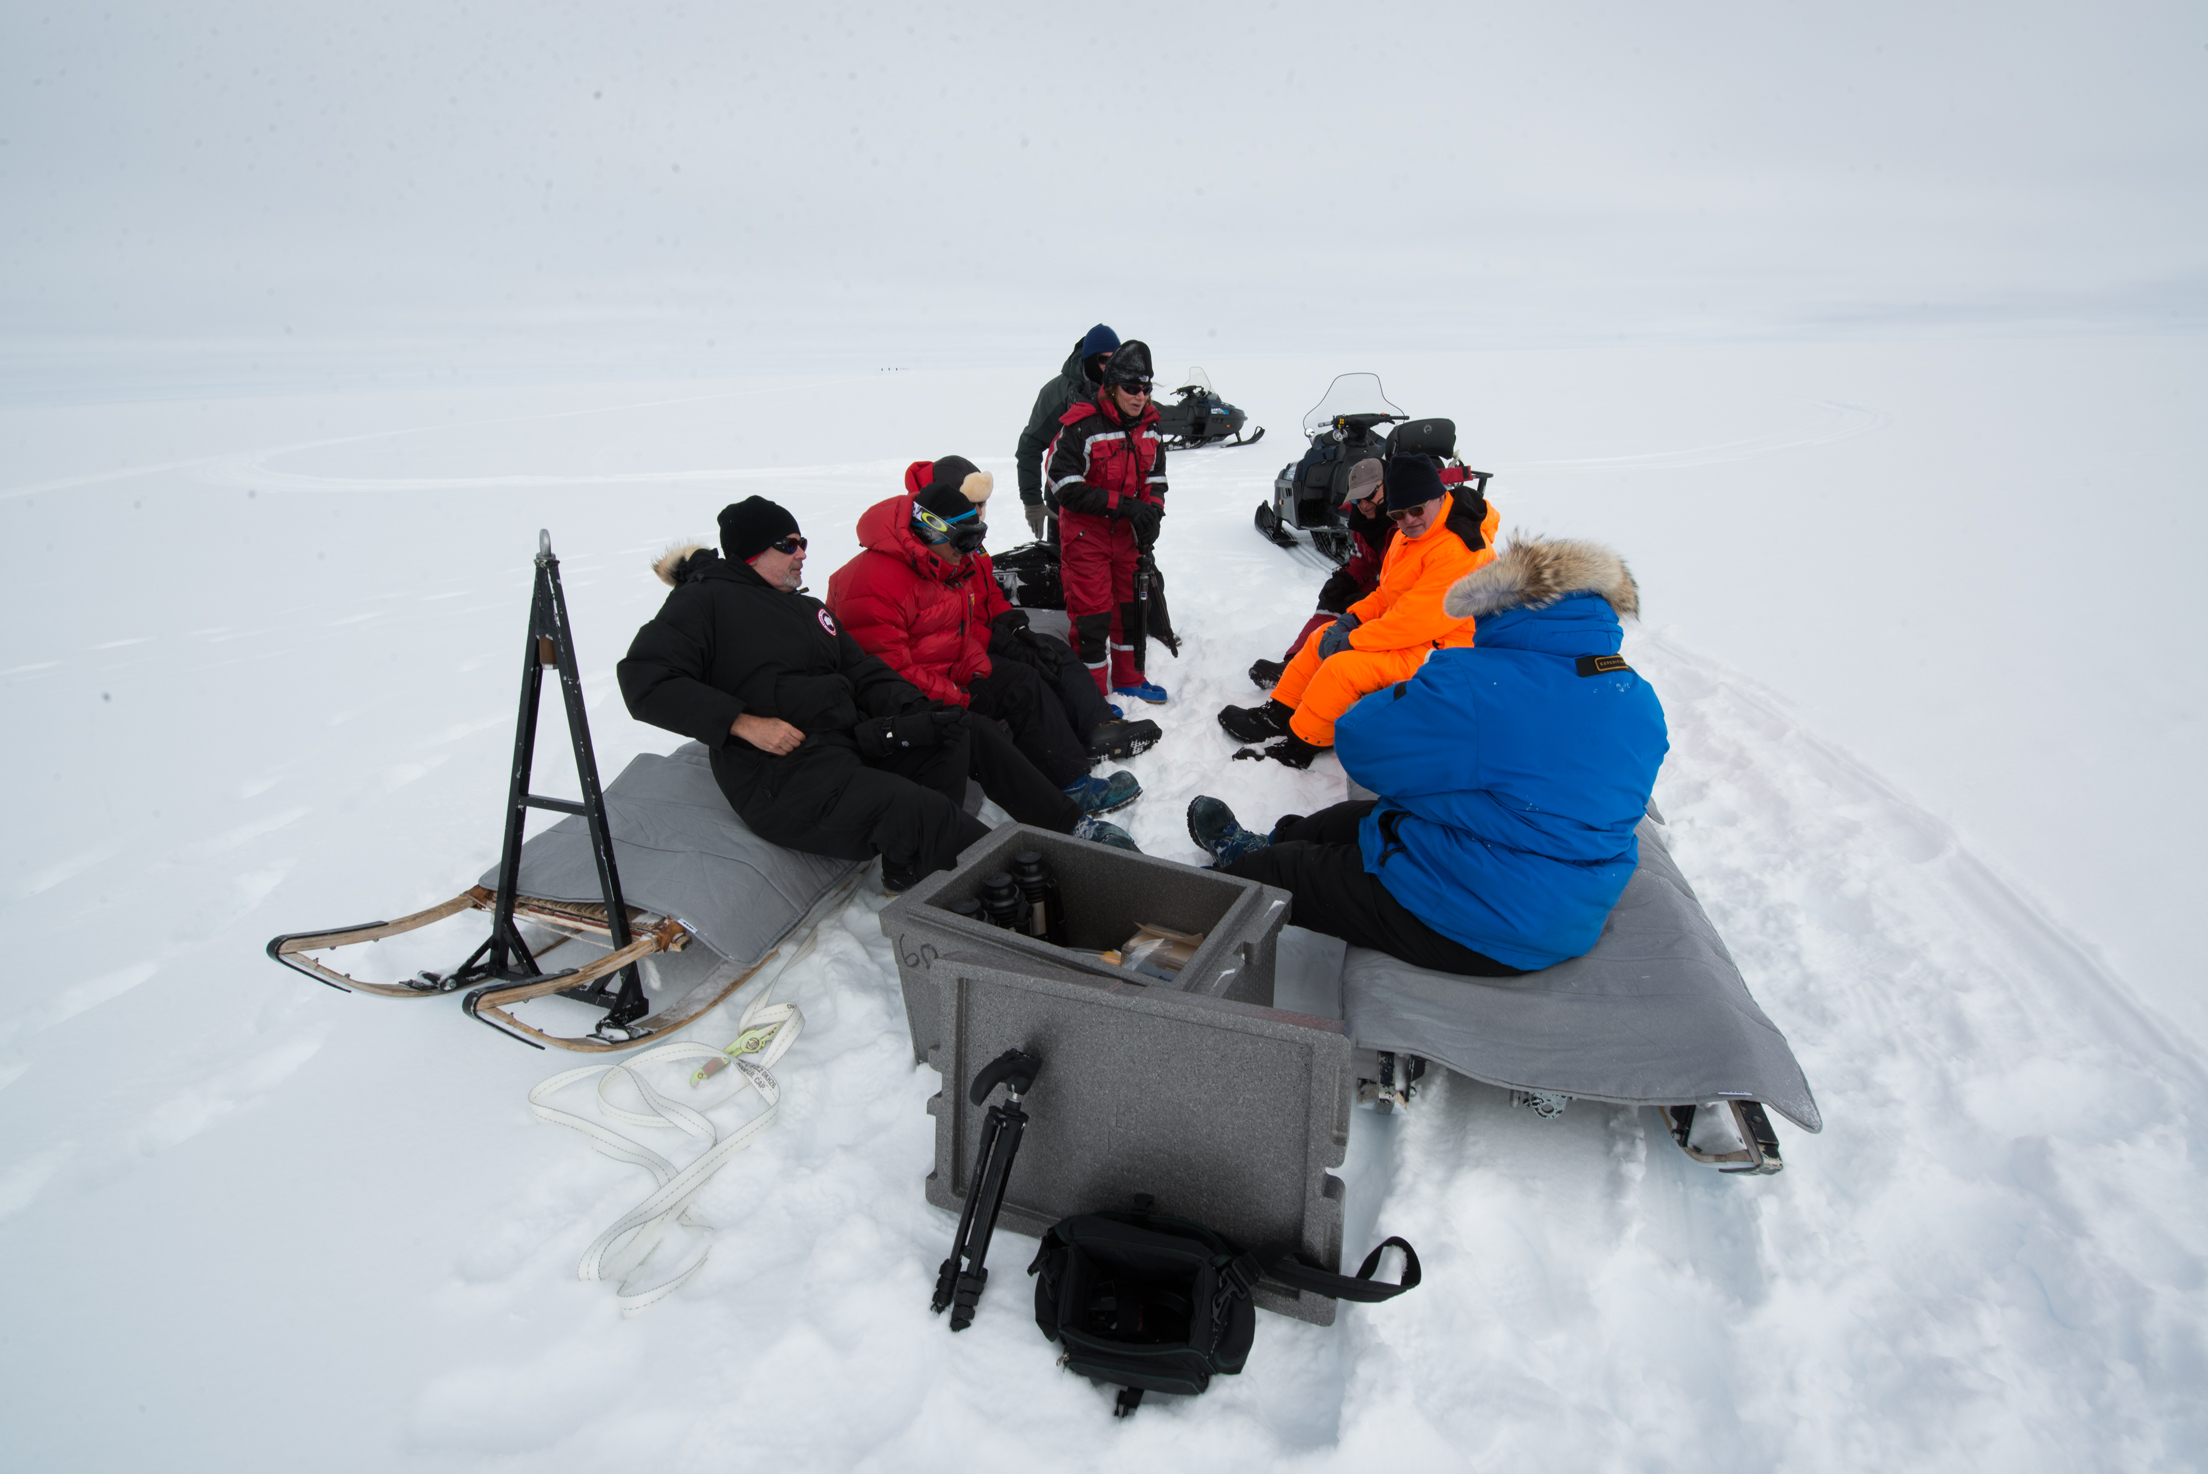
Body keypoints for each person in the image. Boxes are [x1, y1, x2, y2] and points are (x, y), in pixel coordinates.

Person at [1187, 536, 1668, 974]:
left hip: (1484, 918)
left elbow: (1360, 743)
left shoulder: (1476, 682)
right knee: (1335, 824)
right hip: (1559, 898)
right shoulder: (1637, 695)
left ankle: (1189, 897)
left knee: (1287, 872)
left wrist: (1420, 688)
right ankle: (1269, 842)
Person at [618, 496, 1133, 894]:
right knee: (918, 811)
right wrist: (742, 723)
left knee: (958, 728)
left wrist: (920, 710)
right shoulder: (704, 602)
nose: (803, 553)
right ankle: (1042, 886)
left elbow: (863, 671)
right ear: (754, 552)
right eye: (789, 544)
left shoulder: (804, 608)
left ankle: (1062, 828)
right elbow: (645, 681)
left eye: (803, 541)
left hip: (847, 746)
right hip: (781, 775)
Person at [825, 456, 1147, 818]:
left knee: (1022, 679)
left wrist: (1010, 639)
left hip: (947, 671)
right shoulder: (873, 582)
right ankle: (1052, 809)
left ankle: (1073, 779)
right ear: (931, 529)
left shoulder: (943, 559)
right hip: (910, 698)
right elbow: (887, 671)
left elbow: (963, 623)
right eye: (965, 540)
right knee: (984, 723)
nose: (971, 550)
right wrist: (960, 691)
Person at [1217, 453, 1493, 767]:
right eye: (1399, 513)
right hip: (1418, 635)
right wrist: (1352, 619)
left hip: (1444, 649)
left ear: (1440, 497)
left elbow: (1413, 621)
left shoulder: (1458, 549)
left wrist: (1351, 641)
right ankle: (1278, 713)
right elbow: (1388, 595)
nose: (1408, 520)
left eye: (1416, 510)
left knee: (1344, 667)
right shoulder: (1410, 536)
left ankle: (1302, 745)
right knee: (1323, 636)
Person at [1043, 339, 1170, 704]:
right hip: (1087, 538)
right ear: (1112, 386)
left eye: (1146, 389)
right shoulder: (1081, 426)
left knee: (1131, 610)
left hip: (1128, 540)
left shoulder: (1151, 427)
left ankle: (1130, 678)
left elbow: (1155, 479)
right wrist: (1127, 507)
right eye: (1132, 389)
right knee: (1092, 618)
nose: (1140, 396)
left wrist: (1153, 513)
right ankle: (1092, 695)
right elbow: (1063, 485)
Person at [1015, 323, 1118, 542]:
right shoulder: (1058, 392)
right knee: (1065, 569)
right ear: (1089, 359)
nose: (1109, 367)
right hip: (1065, 500)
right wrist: (1032, 501)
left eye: (1115, 360)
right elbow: (1029, 446)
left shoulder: (1124, 391)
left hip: (1113, 501)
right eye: (1103, 360)